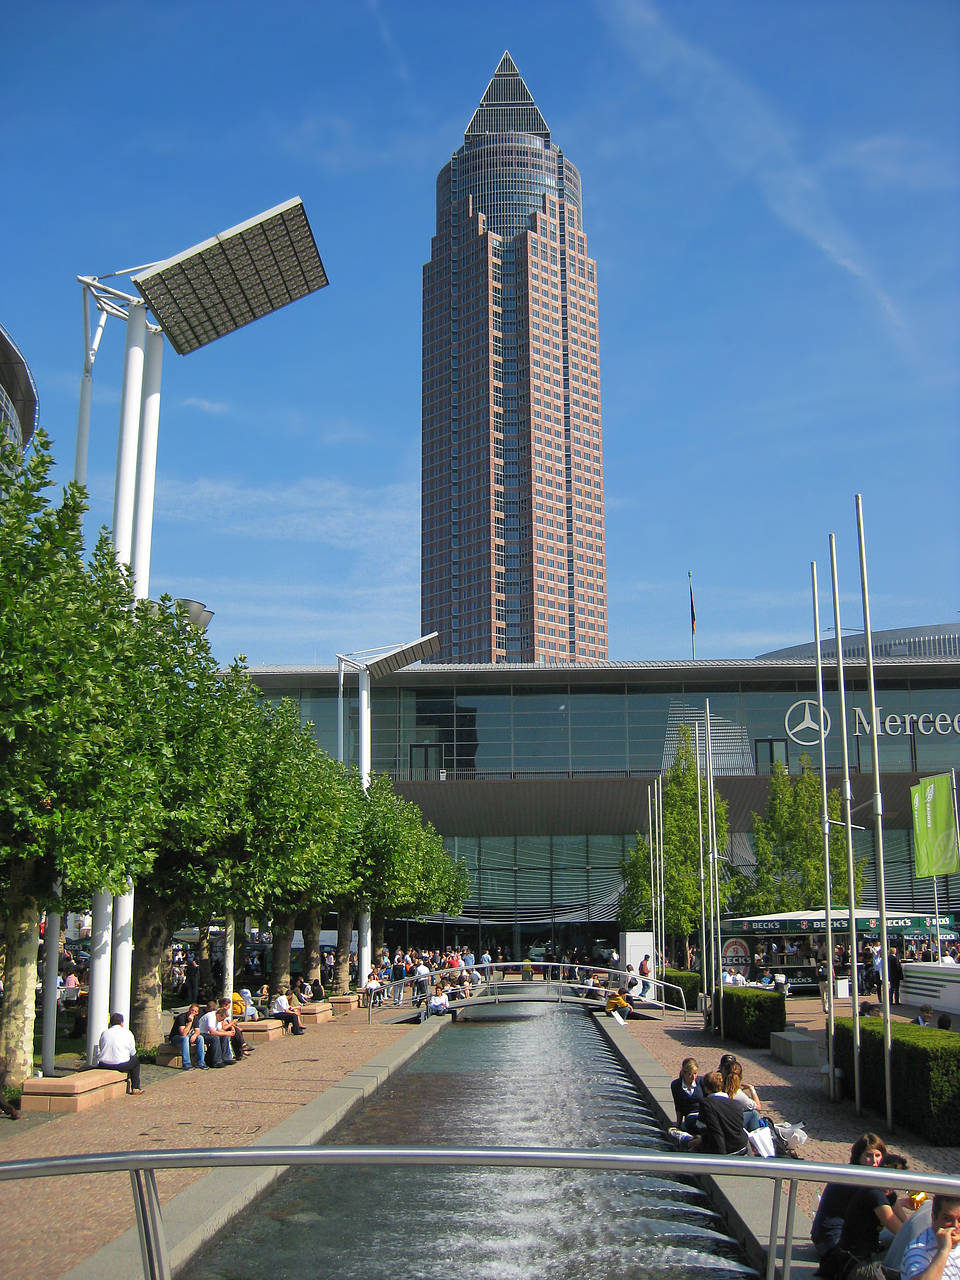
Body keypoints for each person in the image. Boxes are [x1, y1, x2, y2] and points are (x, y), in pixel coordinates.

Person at [812, 1133, 886, 1259]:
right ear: (858, 1156)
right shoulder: (858, 1180)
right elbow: (884, 1215)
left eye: (878, 1155)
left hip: (826, 1237)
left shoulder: (854, 1173)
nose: (874, 1161)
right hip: (832, 1241)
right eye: (868, 1155)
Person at [901, 1193, 960, 1280]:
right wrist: (943, 1250)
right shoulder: (917, 1251)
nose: (955, 1226)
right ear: (933, 1218)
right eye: (947, 1219)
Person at [97, 1012, 142, 1093]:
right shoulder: (127, 1033)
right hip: (120, 1065)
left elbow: (101, 1047)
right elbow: (132, 1052)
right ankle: (136, 1087)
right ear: (122, 1023)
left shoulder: (104, 1033)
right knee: (135, 1062)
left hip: (104, 1064)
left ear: (110, 1023)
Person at [721, 1059, 762, 1132]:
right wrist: (752, 1089)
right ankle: (756, 1139)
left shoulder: (719, 1087)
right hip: (729, 1124)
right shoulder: (737, 1094)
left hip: (720, 1120)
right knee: (753, 1113)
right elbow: (758, 1107)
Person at [670, 1058, 704, 1131]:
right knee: (695, 1125)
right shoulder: (676, 1085)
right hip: (690, 1116)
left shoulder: (701, 1081)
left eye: (695, 1074)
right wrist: (678, 1125)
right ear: (684, 1073)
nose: (693, 1077)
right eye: (690, 1074)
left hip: (703, 1115)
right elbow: (678, 1106)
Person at [169, 1004, 207, 1069]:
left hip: (187, 1036)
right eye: (192, 1010)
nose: (193, 1012)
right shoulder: (181, 1017)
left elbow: (197, 1031)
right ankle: (186, 1064)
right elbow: (183, 1033)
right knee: (185, 1038)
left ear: (197, 1013)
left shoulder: (195, 1018)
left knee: (200, 1038)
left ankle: (201, 1062)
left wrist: (195, 1035)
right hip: (176, 1038)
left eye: (195, 1011)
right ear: (189, 1010)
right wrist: (190, 1021)